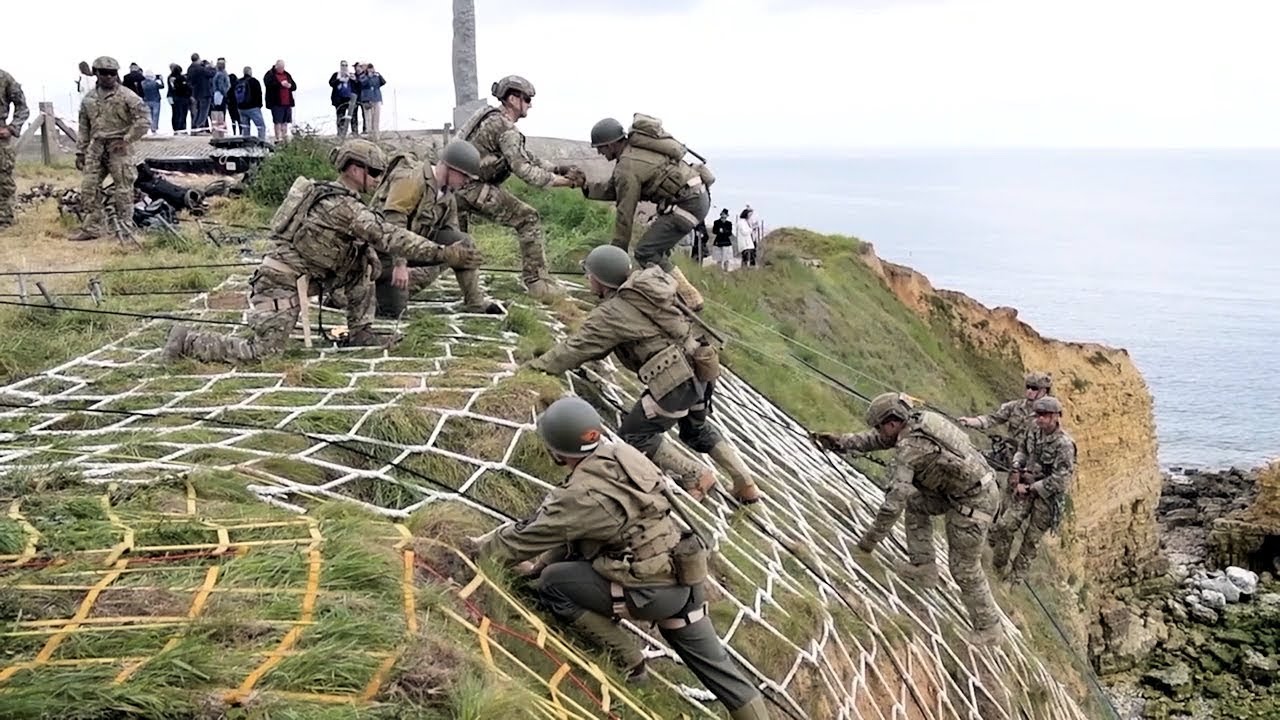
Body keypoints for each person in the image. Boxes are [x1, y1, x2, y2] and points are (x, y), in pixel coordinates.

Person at [471, 396, 771, 720]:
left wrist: (474, 552)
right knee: (723, 674)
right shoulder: (622, 453)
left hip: (649, 590)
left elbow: (523, 539)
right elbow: (578, 533)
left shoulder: (580, 495)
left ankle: (629, 657)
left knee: (552, 583)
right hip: (685, 574)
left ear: (557, 450)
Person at [163, 139, 484, 363]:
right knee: (261, 352)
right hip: (284, 279)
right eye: (373, 173)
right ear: (354, 169)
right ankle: (188, 341)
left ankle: (361, 332)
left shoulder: (342, 199)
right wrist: (444, 255)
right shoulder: (343, 206)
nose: (377, 180)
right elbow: (391, 235)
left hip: (318, 273)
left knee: (364, 260)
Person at [528, 244, 762, 504]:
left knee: (635, 436)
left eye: (590, 274)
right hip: (702, 369)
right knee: (696, 429)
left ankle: (695, 474)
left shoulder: (611, 313)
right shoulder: (648, 289)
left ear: (602, 280)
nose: (587, 278)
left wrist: (535, 367)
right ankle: (746, 483)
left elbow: (575, 349)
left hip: (674, 385)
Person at [812, 393, 1003, 645]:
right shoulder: (921, 422)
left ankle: (989, 628)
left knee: (964, 566)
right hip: (958, 491)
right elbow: (877, 440)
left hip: (974, 503)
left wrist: (867, 544)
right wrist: (842, 443)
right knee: (917, 504)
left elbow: (893, 505)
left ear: (892, 422)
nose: (879, 432)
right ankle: (924, 567)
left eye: (880, 426)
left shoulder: (910, 449)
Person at [456, 75, 581, 301]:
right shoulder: (506, 129)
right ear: (513, 99)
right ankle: (537, 282)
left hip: (453, 187)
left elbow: (523, 155)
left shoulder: (487, 116)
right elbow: (524, 169)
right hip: (472, 188)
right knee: (528, 218)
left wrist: (559, 168)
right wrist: (565, 183)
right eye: (527, 99)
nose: (530, 104)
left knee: (453, 245)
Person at [584, 116, 710, 311]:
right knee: (656, 250)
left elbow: (625, 214)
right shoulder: (633, 154)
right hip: (695, 198)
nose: (600, 153)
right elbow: (614, 190)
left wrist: (615, 258)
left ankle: (689, 298)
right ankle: (669, 296)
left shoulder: (627, 166)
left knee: (646, 252)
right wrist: (582, 185)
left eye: (600, 147)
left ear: (610, 144)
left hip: (688, 205)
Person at [368, 139, 502, 317]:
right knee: (393, 312)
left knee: (463, 245)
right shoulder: (411, 179)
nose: (467, 182)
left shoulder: (447, 196)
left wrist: (465, 257)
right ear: (450, 168)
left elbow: (453, 236)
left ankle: (475, 302)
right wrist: (400, 264)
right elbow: (394, 224)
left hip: (411, 248)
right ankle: (350, 294)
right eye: (465, 176)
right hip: (382, 252)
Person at [988, 396, 1076, 583]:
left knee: (1030, 541)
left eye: (1045, 415)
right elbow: (1023, 450)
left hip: (1046, 497)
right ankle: (997, 568)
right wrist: (1017, 468)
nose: (1040, 419)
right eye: (1038, 415)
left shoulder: (1065, 445)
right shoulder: (1033, 430)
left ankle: (1014, 580)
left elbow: (1061, 478)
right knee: (1005, 525)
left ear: (1055, 416)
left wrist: (1031, 487)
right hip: (1025, 486)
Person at [68, 57, 150, 243]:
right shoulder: (89, 98)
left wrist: (127, 139)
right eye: (104, 72)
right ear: (96, 73)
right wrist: (80, 151)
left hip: (119, 147)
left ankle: (124, 230)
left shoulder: (128, 96)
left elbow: (144, 121)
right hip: (97, 147)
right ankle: (92, 227)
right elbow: (84, 127)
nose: (108, 77)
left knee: (123, 190)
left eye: (112, 73)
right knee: (89, 187)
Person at [0, 68, 30, 230]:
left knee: (3, 178)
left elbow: (22, 107)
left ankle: (4, 219)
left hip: (0, 137)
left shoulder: (4, 78)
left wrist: (12, 127)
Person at [263, 60, 297, 142]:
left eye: (283, 67)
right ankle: (278, 138)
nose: (282, 69)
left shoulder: (287, 74)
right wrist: (280, 84)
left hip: (287, 102)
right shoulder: (270, 74)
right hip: (276, 102)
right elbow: (268, 84)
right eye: (280, 68)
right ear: (276, 66)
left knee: (285, 121)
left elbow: (294, 86)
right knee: (277, 121)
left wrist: (289, 85)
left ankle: (285, 136)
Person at [233, 67, 265, 140]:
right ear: (250, 72)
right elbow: (259, 94)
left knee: (245, 127)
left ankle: (246, 142)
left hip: (241, 108)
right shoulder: (254, 81)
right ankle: (262, 141)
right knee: (261, 126)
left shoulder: (238, 82)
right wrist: (259, 105)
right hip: (253, 108)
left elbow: (233, 95)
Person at [328, 61, 358, 138]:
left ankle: (354, 132)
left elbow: (357, 84)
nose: (344, 67)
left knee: (353, 116)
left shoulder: (351, 75)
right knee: (340, 116)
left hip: (350, 98)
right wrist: (339, 79)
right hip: (339, 99)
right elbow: (331, 83)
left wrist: (353, 79)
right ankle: (340, 132)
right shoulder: (336, 75)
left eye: (345, 65)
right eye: (342, 65)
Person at [357, 63, 386, 138]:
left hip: (376, 98)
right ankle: (370, 135)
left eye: (371, 67)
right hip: (367, 99)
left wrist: (377, 74)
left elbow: (383, 82)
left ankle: (376, 136)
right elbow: (362, 83)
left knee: (376, 119)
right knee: (369, 119)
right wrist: (368, 76)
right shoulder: (362, 75)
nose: (370, 69)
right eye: (368, 67)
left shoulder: (376, 75)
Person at [187, 54, 213, 132]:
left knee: (198, 111)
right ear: (198, 59)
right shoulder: (200, 69)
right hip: (204, 92)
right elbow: (211, 74)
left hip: (196, 93)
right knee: (204, 111)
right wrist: (211, 66)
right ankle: (200, 127)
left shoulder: (190, 69)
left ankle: (195, 126)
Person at [166, 64, 191, 133]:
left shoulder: (170, 78)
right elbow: (185, 88)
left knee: (175, 113)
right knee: (182, 113)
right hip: (183, 97)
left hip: (173, 97)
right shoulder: (182, 78)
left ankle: (176, 128)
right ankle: (182, 127)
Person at [210, 58, 231, 137]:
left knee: (218, 111)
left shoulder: (217, 73)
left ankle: (218, 129)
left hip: (217, 94)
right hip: (221, 95)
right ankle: (220, 130)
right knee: (221, 112)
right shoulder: (222, 74)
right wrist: (225, 93)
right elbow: (221, 85)